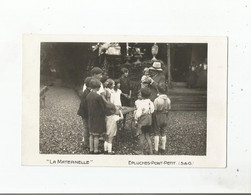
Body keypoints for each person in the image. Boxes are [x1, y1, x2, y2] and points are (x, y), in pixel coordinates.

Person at [86, 78, 106, 154]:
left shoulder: (88, 95)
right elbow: (102, 107)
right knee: (96, 135)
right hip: (97, 118)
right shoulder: (98, 97)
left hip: (91, 117)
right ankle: (96, 150)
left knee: (91, 134)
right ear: (97, 87)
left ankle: (91, 149)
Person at [134, 88, 154, 155]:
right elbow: (152, 111)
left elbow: (138, 114)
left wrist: (136, 117)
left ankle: (141, 152)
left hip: (142, 122)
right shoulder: (150, 102)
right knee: (147, 136)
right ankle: (151, 151)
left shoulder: (141, 104)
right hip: (149, 121)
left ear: (142, 95)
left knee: (141, 137)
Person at [153, 83, 171, 155]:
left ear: (158, 90)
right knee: (163, 132)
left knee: (156, 132)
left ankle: (156, 149)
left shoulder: (157, 100)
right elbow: (168, 110)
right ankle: (163, 148)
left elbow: (154, 111)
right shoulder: (168, 100)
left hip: (158, 116)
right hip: (165, 116)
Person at [77, 77, 92, 148]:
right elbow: (84, 104)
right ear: (90, 84)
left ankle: (86, 142)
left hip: (84, 112)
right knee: (86, 128)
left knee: (87, 127)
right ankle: (86, 144)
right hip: (85, 113)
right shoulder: (87, 93)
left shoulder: (87, 91)